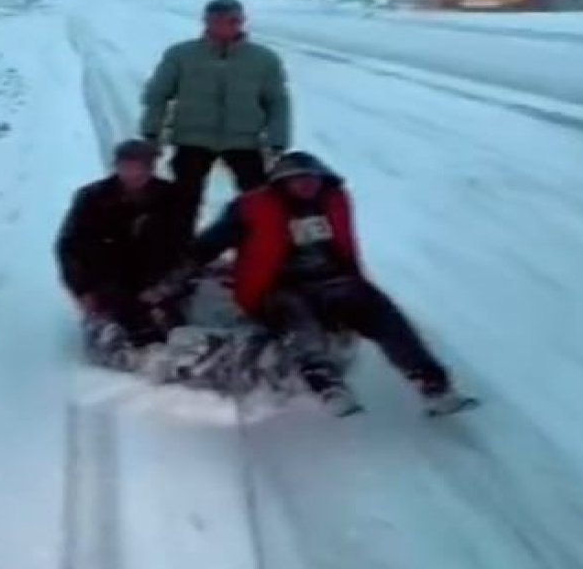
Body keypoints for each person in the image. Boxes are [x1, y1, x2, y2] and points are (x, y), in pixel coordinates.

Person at [144, 150, 476, 417]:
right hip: (275, 286)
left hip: (333, 281)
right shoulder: (250, 210)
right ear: (281, 185)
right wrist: (170, 283)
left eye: (311, 179)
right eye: (296, 181)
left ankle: (432, 384)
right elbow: (206, 247)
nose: (306, 186)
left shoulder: (332, 203)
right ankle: (326, 385)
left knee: (383, 313)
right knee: (296, 319)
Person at [139, 0, 292, 245]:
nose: (225, 26)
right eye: (217, 20)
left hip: (245, 141)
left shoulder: (264, 59)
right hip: (192, 138)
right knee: (184, 203)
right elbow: (157, 94)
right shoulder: (181, 55)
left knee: (258, 201)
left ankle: (258, 252)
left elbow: (277, 101)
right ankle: (180, 258)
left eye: (232, 20)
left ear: (242, 22)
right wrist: (151, 133)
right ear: (206, 22)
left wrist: (278, 141)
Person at [55, 139, 185, 357]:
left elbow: (182, 243)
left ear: (151, 168)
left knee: (177, 327)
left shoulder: (171, 196)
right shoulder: (91, 198)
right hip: (108, 279)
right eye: (127, 167)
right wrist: (82, 290)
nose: (133, 174)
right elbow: (69, 247)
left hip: (155, 276)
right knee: (125, 338)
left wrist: (166, 284)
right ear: (116, 166)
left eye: (140, 167)